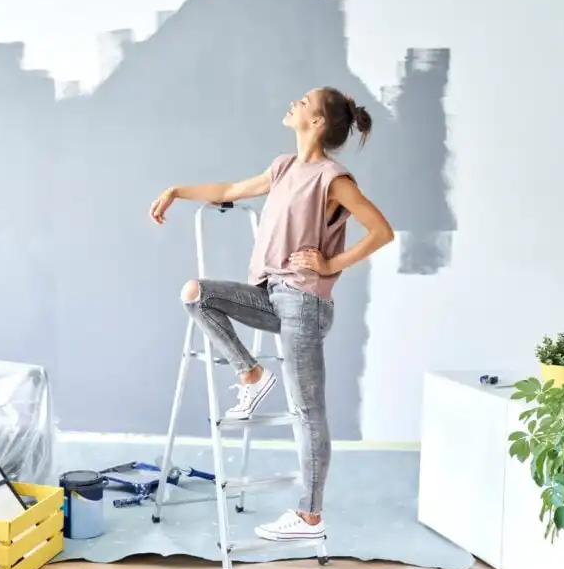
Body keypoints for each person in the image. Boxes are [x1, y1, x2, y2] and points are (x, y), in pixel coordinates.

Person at [148, 86, 394, 543]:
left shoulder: (333, 179)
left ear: (317, 121)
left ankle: (309, 516)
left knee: (306, 410)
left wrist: (330, 264)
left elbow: (382, 231)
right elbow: (228, 190)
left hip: (305, 302)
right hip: (272, 294)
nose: (295, 103)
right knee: (196, 293)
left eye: (304, 101)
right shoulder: (283, 167)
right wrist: (176, 191)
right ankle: (252, 375)